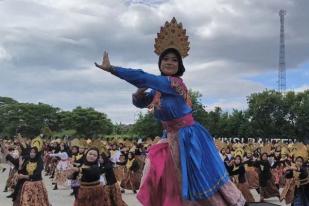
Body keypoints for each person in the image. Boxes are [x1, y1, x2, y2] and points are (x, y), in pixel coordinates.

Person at [95, 17, 245, 206]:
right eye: (165, 59)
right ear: (160, 62)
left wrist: (112, 69)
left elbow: (142, 75)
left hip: (188, 138)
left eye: (174, 60)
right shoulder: (159, 88)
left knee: (194, 179)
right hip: (169, 137)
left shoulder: (173, 83)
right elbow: (141, 103)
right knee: (159, 173)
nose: (169, 62)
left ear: (179, 65)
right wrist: (139, 92)